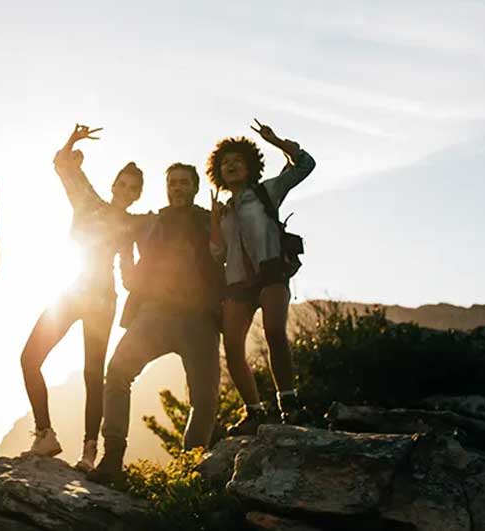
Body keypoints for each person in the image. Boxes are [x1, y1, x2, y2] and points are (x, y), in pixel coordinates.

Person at [87, 162, 225, 485]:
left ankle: (190, 470)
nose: (177, 188)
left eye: (184, 183)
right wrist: (126, 269)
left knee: (205, 399)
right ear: (167, 188)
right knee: (118, 372)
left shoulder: (211, 220)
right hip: (155, 315)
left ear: (194, 187)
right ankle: (112, 458)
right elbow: (114, 223)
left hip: (200, 320)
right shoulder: (149, 222)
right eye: (172, 183)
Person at [21, 124, 148, 473]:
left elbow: (128, 271)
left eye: (132, 188)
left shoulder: (133, 225)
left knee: (94, 375)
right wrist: (72, 142)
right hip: (72, 289)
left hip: (104, 299)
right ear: (113, 186)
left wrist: (142, 285)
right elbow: (62, 165)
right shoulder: (88, 200)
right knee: (30, 357)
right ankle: (45, 433)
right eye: (122, 184)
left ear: (137, 195)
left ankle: (89, 452)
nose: (125, 190)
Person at [206, 119, 316, 436]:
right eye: (225, 163)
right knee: (233, 347)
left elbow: (305, 164)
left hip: (271, 273)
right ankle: (254, 411)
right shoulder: (224, 210)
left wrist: (278, 141)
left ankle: (289, 403)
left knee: (273, 331)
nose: (231, 166)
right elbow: (218, 255)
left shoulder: (268, 190)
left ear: (250, 165)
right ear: (219, 172)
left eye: (237, 161)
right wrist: (214, 222)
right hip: (238, 284)